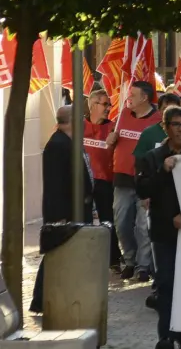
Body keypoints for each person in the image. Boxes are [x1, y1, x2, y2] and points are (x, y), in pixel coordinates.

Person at [134, 106, 181, 349]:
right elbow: (143, 190)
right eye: (176, 124)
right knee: (166, 284)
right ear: (166, 127)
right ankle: (165, 337)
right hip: (163, 232)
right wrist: (162, 170)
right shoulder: (152, 158)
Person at [29, 105, 93, 314]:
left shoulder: (71, 142)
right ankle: (41, 300)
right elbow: (55, 185)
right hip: (65, 213)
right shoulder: (58, 144)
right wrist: (59, 218)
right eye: (81, 117)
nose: (85, 121)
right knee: (56, 255)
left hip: (77, 209)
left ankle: (54, 297)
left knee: (64, 256)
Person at [109, 80, 159, 282]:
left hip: (145, 181)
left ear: (144, 98)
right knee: (121, 223)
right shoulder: (122, 116)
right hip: (122, 179)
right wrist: (111, 140)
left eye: (133, 94)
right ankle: (129, 259)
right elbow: (111, 144)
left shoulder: (157, 119)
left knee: (142, 226)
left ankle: (143, 266)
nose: (128, 98)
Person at [84, 89, 122, 269]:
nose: (108, 108)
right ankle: (85, 255)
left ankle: (113, 258)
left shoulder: (114, 127)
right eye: (105, 104)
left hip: (105, 181)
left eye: (110, 104)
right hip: (83, 181)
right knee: (83, 220)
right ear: (92, 105)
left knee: (108, 220)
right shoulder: (78, 126)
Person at [133, 93, 181, 157]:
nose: (170, 112)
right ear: (159, 110)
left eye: (173, 109)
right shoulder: (148, 133)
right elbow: (140, 160)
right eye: (165, 109)